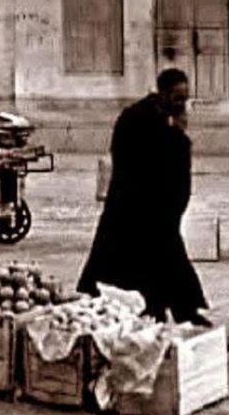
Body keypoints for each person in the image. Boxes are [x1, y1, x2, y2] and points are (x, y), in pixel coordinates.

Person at [77, 68, 211, 326]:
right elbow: (140, 159)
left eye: (185, 99)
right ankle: (162, 310)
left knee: (166, 258)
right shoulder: (135, 119)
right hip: (132, 206)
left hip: (159, 209)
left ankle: (180, 311)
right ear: (162, 93)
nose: (182, 105)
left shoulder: (164, 119)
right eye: (177, 98)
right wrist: (177, 136)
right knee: (139, 261)